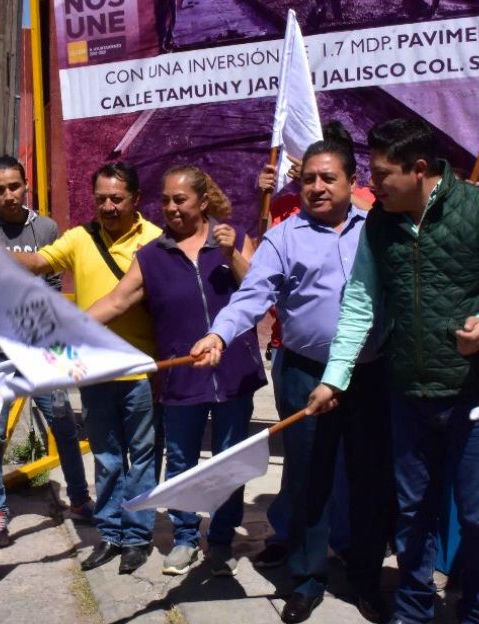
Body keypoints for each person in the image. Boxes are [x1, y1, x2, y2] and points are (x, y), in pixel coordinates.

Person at [306, 118, 479, 623]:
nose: (374, 184)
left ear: (418, 169)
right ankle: (412, 610)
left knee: (477, 516)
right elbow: (360, 303)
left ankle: (477, 611)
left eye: (383, 173)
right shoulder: (380, 223)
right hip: (408, 393)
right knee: (412, 513)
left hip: (476, 395)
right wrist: (335, 377)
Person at [192, 127, 395, 623]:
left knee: (368, 478)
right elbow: (252, 296)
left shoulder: (380, 227)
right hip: (304, 372)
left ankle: (366, 577)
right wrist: (219, 334)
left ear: (353, 181)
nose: (317, 187)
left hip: (372, 373)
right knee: (308, 478)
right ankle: (306, 578)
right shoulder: (284, 236)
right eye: (308, 179)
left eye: (329, 178)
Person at [87, 165, 265, 577]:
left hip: (234, 374)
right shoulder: (151, 256)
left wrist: (231, 255)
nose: (171, 208)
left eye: (180, 199)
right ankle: (185, 538)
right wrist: (64, 331)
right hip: (182, 376)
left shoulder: (234, 238)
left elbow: (258, 291)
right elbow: (115, 302)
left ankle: (219, 539)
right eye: (165, 200)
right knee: (182, 462)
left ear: (202, 202)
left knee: (229, 460)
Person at [5, 162, 163, 574]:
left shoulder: (155, 241)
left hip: (140, 371)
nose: (108, 206)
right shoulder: (79, 238)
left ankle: (138, 537)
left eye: (117, 198)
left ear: (136, 200)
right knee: (108, 456)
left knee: (142, 456)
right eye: (101, 199)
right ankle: (110, 534)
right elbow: (40, 262)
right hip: (92, 372)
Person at [0, 156, 91, 548]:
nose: (8, 195)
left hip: (41, 346)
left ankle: (79, 500)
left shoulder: (45, 228)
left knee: (62, 423)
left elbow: (51, 284)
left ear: (26, 184)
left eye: (14, 186)